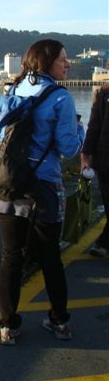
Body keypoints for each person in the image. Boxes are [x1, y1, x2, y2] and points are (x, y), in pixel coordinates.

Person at [0, 39, 84, 345]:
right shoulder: (61, 98)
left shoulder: (13, 90)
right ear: (47, 63)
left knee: (11, 256)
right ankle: (59, 321)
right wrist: (80, 129)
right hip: (44, 187)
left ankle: (8, 325)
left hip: (8, 185)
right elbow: (70, 148)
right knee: (49, 256)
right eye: (63, 59)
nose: (68, 64)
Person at [81, 84, 109, 257]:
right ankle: (104, 242)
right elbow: (94, 126)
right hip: (105, 160)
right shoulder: (104, 94)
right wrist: (86, 153)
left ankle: (104, 242)